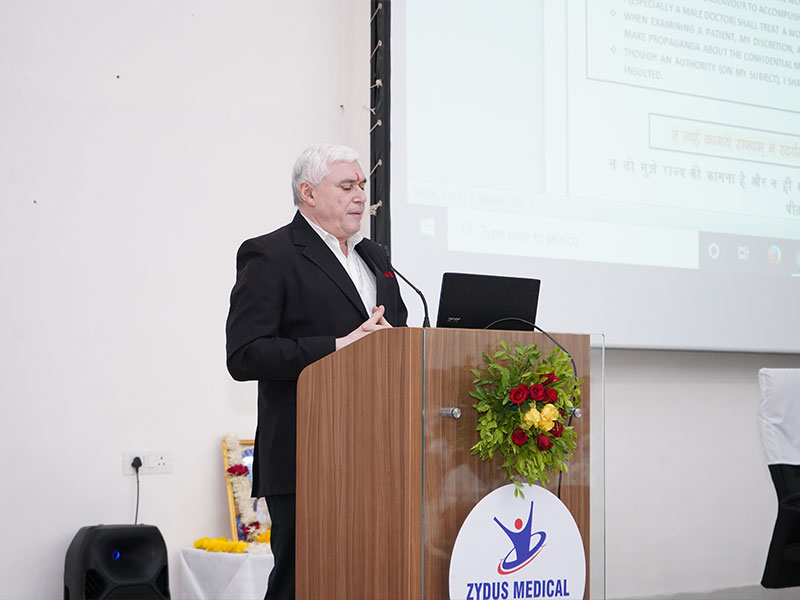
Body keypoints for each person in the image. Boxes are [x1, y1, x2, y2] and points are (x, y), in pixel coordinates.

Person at [225, 144, 408, 599]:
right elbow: (245, 354)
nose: (360, 195)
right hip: (307, 453)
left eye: (362, 185)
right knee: (301, 583)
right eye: (346, 186)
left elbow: (396, 335)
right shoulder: (270, 254)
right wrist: (337, 347)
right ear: (308, 193)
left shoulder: (374, 256)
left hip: (377, 454)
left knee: (368, 580)